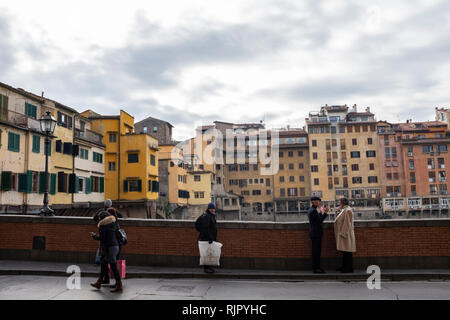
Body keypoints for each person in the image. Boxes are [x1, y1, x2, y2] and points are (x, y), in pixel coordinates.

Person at [90, 211, 123, 292]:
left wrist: (94, 236)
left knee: (113, 267)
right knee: (104, 263)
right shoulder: (114, 223)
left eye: (99, 218)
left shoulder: (103, 225)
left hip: (110, 248)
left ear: (102, 218)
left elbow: (102, 238)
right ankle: (99, 282)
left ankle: (119, 285)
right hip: (116, 247)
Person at [307, 196, 330, 274]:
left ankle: (317, 267)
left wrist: (320, 212)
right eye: (317, 201)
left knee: (316, 251)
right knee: (316, 252)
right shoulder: (313, 211)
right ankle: (316, 268)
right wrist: (325, 212)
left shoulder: (311, 210)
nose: (319, 202)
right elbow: (319, 221)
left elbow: (316, 219)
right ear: (313, 202)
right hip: (316, 233)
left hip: (314, 233)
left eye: (319, 201)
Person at [334, 198, 356, 273]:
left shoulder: (348, 210)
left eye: (339, 202)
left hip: (345, 234)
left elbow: (347, 223)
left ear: (342, 203)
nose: (338, 203)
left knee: (347, 252)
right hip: (344, 234)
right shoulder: (344, 210)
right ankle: (344, 266)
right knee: (345, 252)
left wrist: (343, 234)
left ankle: (348, 268)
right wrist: (338, 211)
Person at [197, 202, 218, 274]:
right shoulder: (207, 216)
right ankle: (206, 268)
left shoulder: (209, 215)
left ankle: (209, 267)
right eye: (211, 209)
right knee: (206, 253)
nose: (213, 210)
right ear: (209, 209)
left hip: (209, 238)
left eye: (213, 209)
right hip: (206, 239)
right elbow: (205, 228)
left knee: (209, 253)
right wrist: (209, 238)